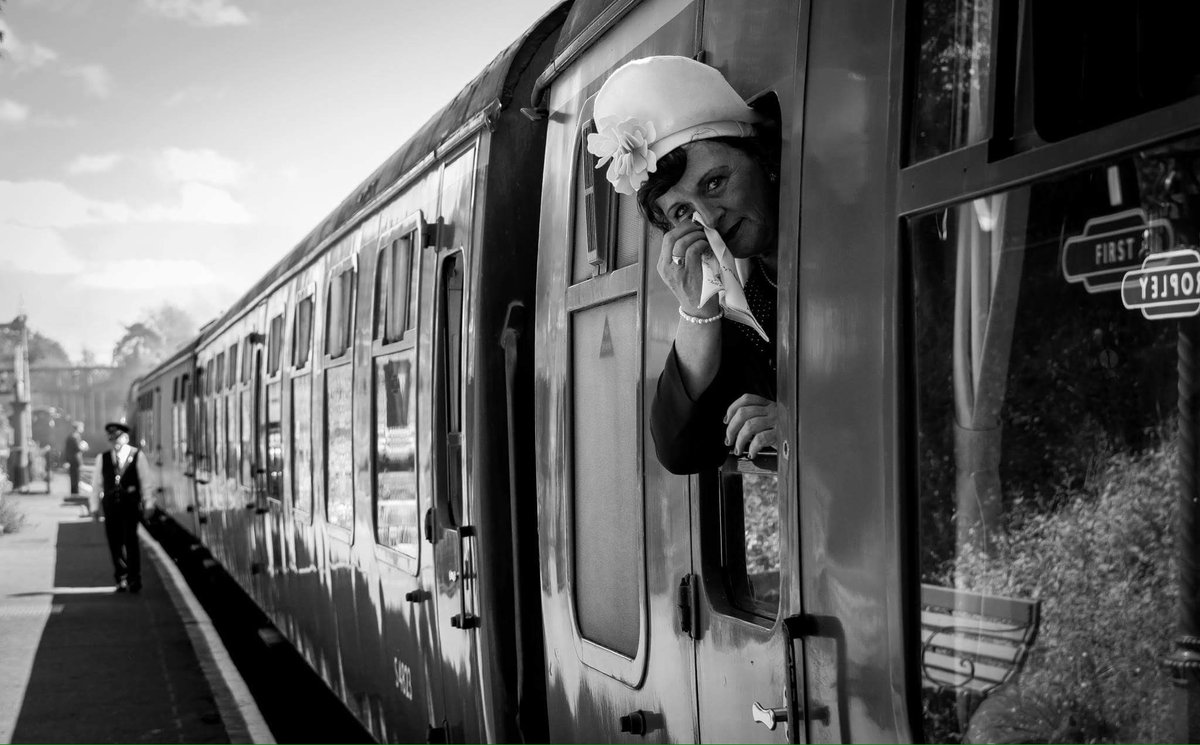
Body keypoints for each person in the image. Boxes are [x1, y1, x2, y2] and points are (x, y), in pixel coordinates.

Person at [587, 55, 781, 474]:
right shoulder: (741, 306)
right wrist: (697, 311)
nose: (707, 219)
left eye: (715, 183)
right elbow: (683, 450)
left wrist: (808, 428)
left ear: (764, 161)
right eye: (681, 213)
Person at [92, 421, 155, 593]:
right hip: (111, 507)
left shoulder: (137, 456)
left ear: (126, 438)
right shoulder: (102, 458)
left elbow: (145, 482)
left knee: (131, 541)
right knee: (115, 542)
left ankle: (134, 578)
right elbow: (96, 485)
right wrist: (94, 507)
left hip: (130, 506)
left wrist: (149, 503)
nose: (115, 441)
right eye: (112, 438)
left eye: (118, 437)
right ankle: (121, 577)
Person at [63, 421, 88, 495]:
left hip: (71, 459)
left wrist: (67, 460)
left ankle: (73, 492)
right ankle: (75, 493)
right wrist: (84, 447)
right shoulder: (76, 436)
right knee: (76, 477)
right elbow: (77, 448)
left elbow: (67, 449)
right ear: (78, 428)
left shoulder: (70, 436)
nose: (83, 429)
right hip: (75, 460)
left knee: (73, 477)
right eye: (82, 427)